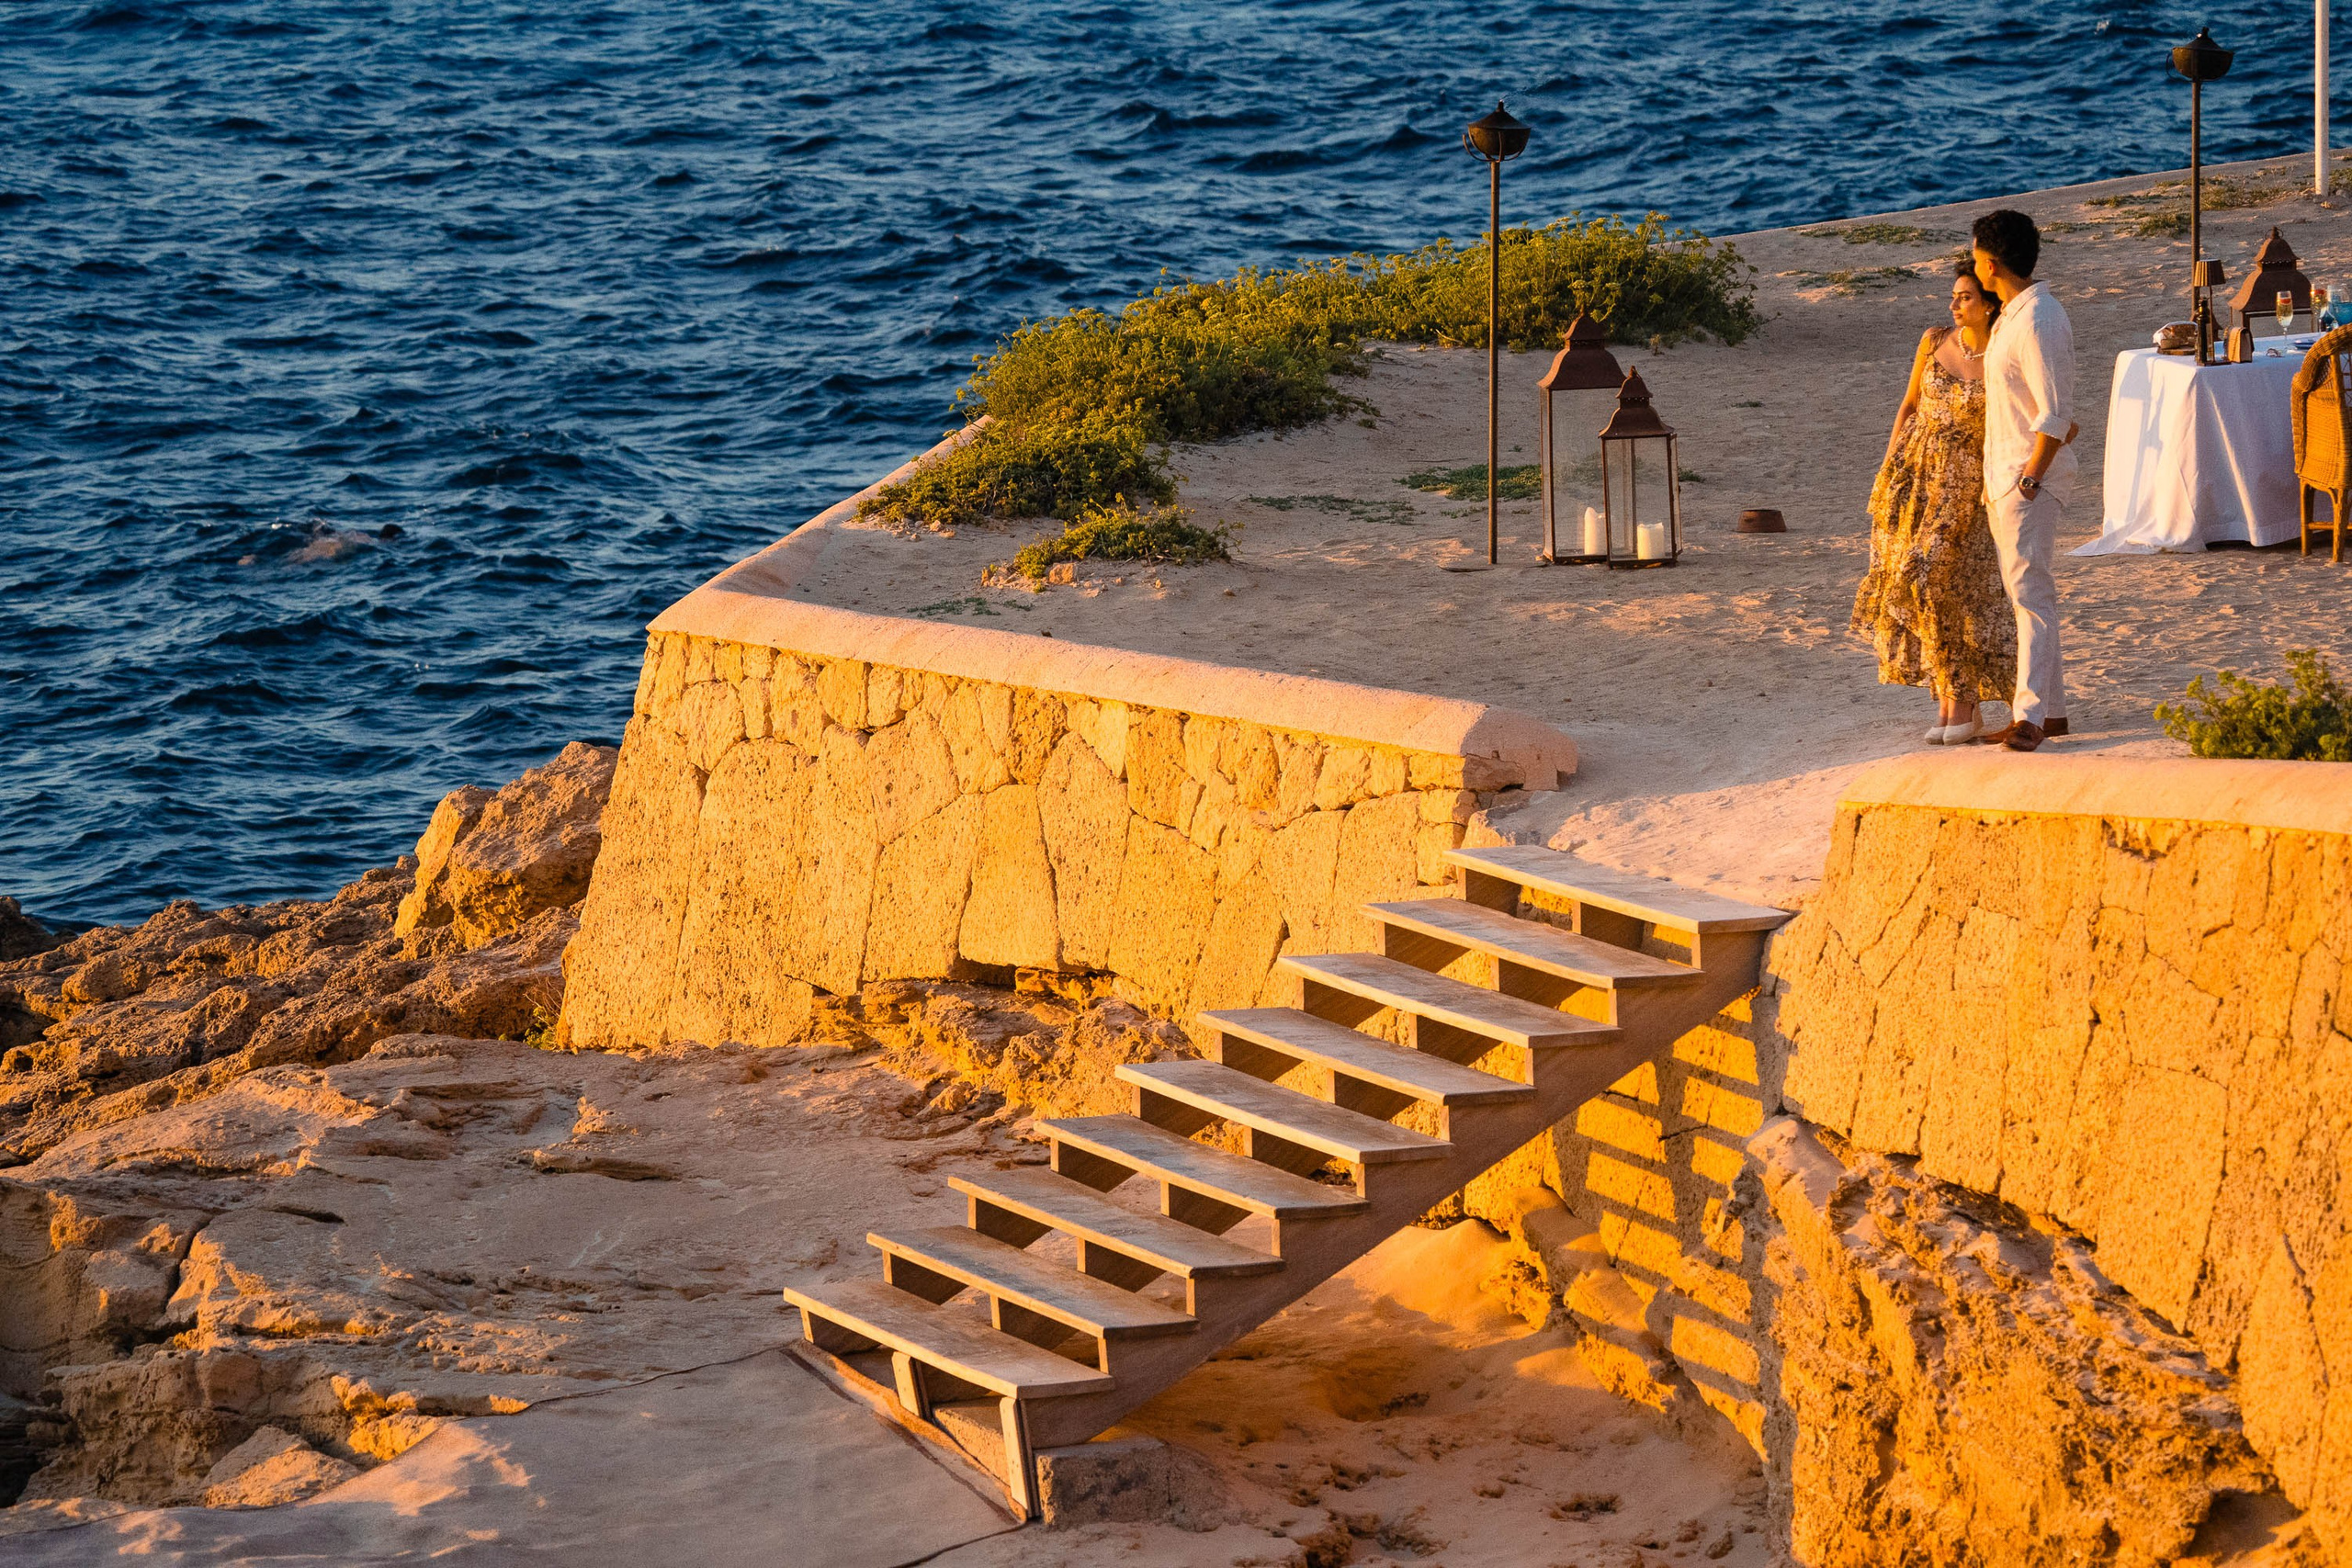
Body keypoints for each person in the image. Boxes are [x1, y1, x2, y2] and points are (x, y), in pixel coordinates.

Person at [1851, 261, 2018, 744]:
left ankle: (1963, 699)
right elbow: (1908, 406)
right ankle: (1949, 697)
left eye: (1965, 296)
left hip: (1965, 485)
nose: (1954, 305)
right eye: (1953, 296)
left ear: (1989, 303)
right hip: (1914, 479)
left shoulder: (2004, 353)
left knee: (1941, 581)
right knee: (1918, 586)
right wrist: (1888, 467)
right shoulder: (1933, 340)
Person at [1970, 209, 2075, 751]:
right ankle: (2051, 713)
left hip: (2026, 478)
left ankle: (2030, 716)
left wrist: (2030, 478)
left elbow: (2056, 412)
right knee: (2026, 594)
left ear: (1990, 263)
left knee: (2030, 596)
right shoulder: (2013, 313)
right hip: (2006, 475)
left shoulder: (2037, 319)